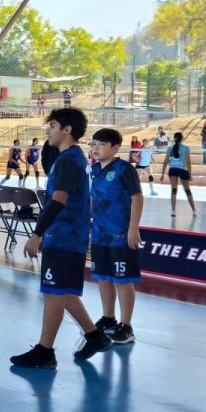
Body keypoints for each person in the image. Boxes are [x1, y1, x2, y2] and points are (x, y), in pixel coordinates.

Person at [10, 108, 112, 369]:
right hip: (67, 234)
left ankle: (45, 351)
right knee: (62, 291)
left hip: (67, 235)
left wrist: (37, 233)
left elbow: (59, 200)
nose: (48, 130)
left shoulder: (69, 160)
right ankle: (94, 336)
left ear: (67, 129)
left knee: (54, 292)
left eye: (53, 125)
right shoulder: (72, 159)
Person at [88, 127, 143, 346]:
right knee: (102, 277)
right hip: (100, 234)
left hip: (120, 233)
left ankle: (126, 326)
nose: (95, 149)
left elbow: (137, 198)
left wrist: (133, 227)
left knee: (122, 280)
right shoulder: (95, 170)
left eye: (100, 144)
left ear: (115, 147)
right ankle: (108, 318)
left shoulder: (123, 169)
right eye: (93, 144)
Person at [160, 131, 197, 217]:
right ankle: (194, 210)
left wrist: (162, 174)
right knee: (187, 190)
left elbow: (165, 162)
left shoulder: (170, 148)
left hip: (172, 170)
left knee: (173, 190)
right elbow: (188, 162)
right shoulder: (186, 148)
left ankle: (173, 211)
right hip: (182, 170)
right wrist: (190, 174)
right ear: (182, 139)